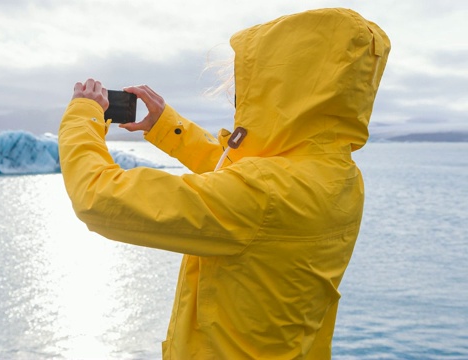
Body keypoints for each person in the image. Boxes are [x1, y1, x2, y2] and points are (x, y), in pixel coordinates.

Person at [58, 7, 390, 359]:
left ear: (284, 86)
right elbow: (246, 180)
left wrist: (84, 114)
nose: (238, 98)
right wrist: (168, 127)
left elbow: (98, 197)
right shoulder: (339, 175)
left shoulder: (264, 191)